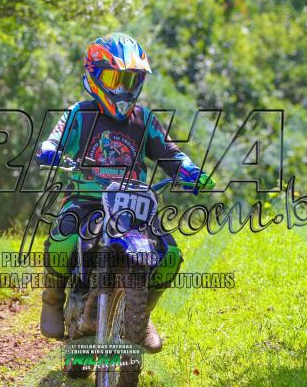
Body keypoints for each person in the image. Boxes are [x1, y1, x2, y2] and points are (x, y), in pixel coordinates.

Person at [36, 33, 214, 353]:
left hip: (133, 203)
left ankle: (141, 315)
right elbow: (56, 138)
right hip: (87, 198)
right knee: (63, 237)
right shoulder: (80, 114)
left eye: (130, 80)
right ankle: (52, 298)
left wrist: (191, 172)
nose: (122, 89)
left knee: (169, 255)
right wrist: (50, 150)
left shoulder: (144, 120)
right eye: (113, 79)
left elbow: (171, 154)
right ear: (94, 77)